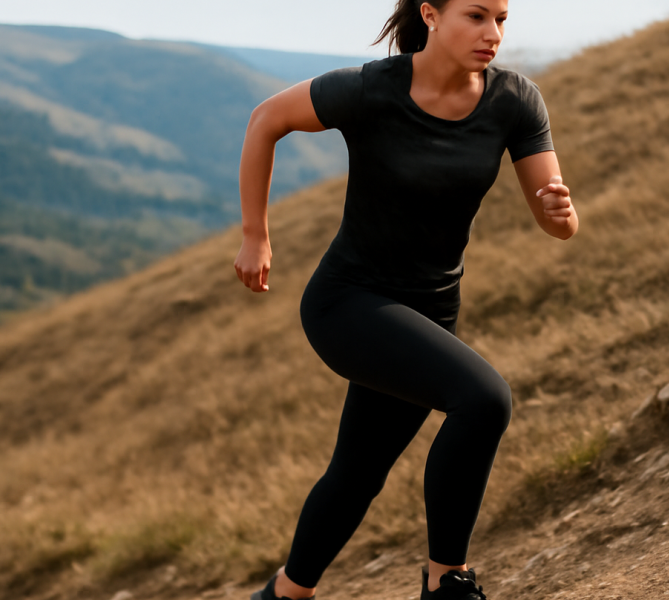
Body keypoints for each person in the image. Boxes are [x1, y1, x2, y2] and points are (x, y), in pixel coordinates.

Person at [234, 0, 577, 598]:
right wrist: (255, 235)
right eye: (475, 15)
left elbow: (556, 220)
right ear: (431, 14)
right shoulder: (370, 90)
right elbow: (266, 119)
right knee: (483, 399)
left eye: (501, 18)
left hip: (431, 309)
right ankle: (447, 581)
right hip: (349, 302)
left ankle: (285, 594)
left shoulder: (515, 101)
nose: (492, 33)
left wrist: (560, 214)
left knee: (358, 471)